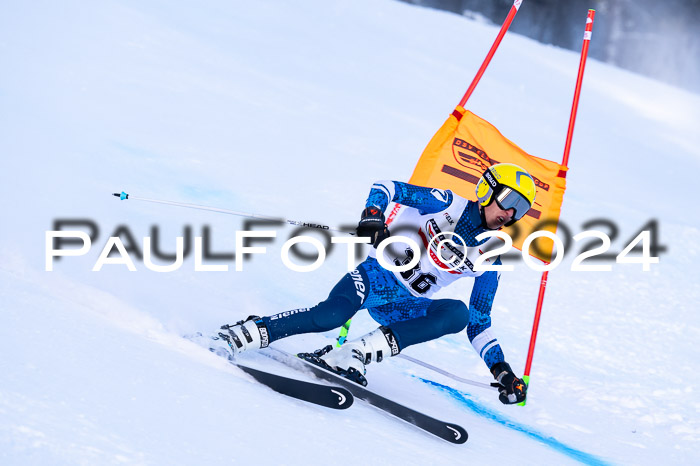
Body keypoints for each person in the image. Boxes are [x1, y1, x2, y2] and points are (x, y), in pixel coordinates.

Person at [219, 163, 534, 405]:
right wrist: (373, 215)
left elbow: (480, 323)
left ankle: (354, 353)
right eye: (508, 200)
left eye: (519, 209)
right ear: (486, 189)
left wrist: (502, 371)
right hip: (376, 277)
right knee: (328, 317)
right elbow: (386, 187)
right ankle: (242, 334)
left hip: (405, 306)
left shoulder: (491, 255)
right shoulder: (446, 203)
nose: (509, 213)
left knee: (458, 314)